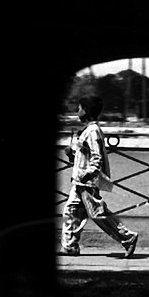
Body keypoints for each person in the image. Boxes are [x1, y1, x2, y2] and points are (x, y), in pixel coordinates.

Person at [60, 95, 139, 258]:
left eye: (80, 108)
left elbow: (97, 158)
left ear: (86, 111)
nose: (77, 111)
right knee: (70, 211)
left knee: (97, 213)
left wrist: (87, 175)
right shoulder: (89, 130)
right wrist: (72, 154)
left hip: (86, 182)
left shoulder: (93, 131)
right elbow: (85, 156)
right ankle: (70, 246)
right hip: (81, 181)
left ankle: (128, 237)